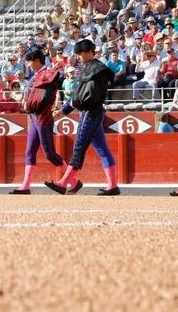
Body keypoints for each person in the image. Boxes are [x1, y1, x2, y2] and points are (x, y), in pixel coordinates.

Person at [46, 39, 118, 196]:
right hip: (90, 113)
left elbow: (87, 96)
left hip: (91, 113)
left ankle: (64, 182)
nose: (78, 57)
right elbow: (80, 95)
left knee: (79, 147)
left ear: (88, 52)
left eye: (80, 54)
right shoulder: (90, 68)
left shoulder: (98, 70)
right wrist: (64, 110)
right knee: (103, 150)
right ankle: (113, 186)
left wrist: (65, 109)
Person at [10, 49, 67, 195]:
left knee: (50, 154)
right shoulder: (36, 76)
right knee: (30, 152)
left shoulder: (48, 74)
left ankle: (71, 180)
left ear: (36, 60)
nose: (27, 65)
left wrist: (30, 105)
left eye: (29, 61)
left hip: (43, 116)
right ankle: (25, 185)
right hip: (34, 117)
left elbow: (46, 97)